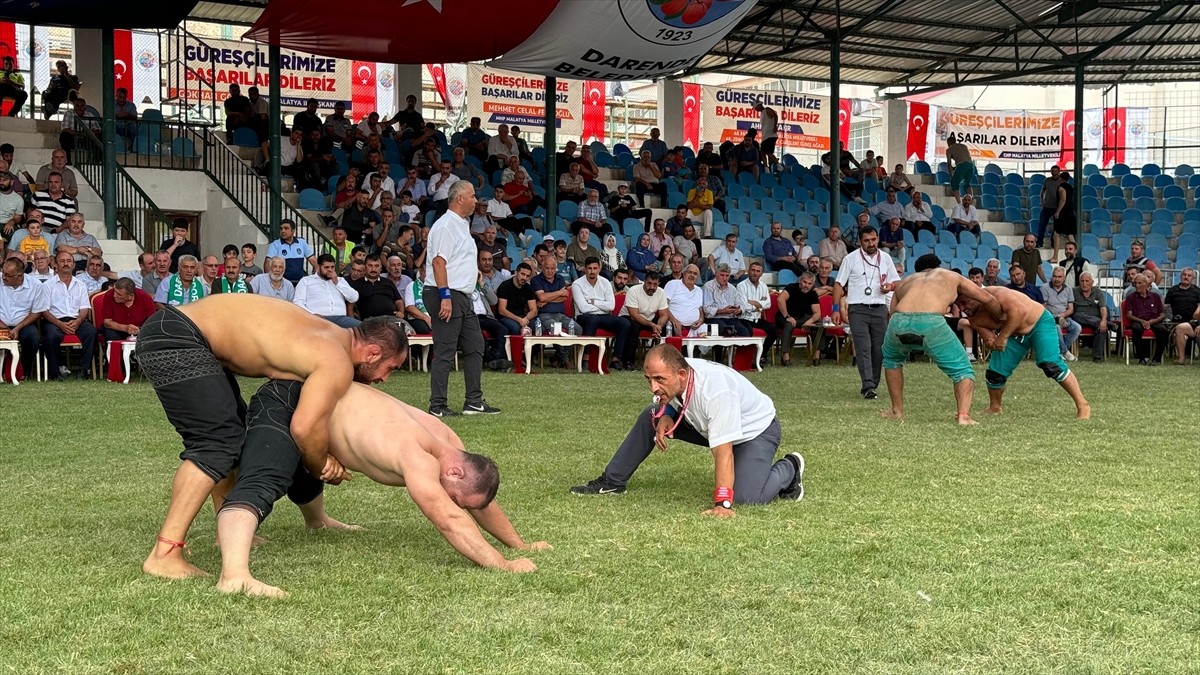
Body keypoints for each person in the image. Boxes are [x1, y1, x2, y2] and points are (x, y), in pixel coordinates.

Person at [134, 294, 410, 579]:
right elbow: (305, 428)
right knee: (216, 444)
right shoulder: (336, 358)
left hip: (179, 330)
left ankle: (223, 532)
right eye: (390, 368)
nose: (385, 380)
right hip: (179, 336)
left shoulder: (326, 332)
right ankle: (164, 554)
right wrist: (321, 466)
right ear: (373, 353)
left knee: (235, 434)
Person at [216, 381, 546, 597]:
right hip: (288, 399)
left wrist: (519, 544)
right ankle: (234, 574)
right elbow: (448, 518)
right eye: (456, 498)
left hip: (320, 407)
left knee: (306, 465)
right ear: (457, 471)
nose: (456, 504)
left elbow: (477, 500)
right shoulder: (417, 457)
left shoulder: (450, 445)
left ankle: (317, 520)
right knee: (263, 477)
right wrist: (502, 564)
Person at [570, 344, 805, 514]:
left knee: (747, 498)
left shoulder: (716, 392)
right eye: (649, 379)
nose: (653, 387)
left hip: (756, 432)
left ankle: (790, 467)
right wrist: (666, 414)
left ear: (680, 375)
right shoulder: (681, 372)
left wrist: (722, 504)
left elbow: (723, 451)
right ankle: (612, 482)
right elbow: (676, 397)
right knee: (649, 416)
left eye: (659, 380)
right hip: (709, 425)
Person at [880, 254, 1004, 425]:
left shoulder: (907, 281)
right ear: (939, 266)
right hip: (930, 321)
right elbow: (988, 298)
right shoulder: (951, 275)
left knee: (892, 360)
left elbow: (892, 312)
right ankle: (963, 416)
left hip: (898, 321)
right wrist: (999, 319)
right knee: (963, 371)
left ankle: (897, 411)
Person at [424, 181, 498, 417]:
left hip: (463, 294)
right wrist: (445, 296)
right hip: (446, 293)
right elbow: (438, 262)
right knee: (445, 349)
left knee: (475, 344)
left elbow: (456, 259)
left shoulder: (461, 224)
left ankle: (474, 401)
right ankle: (437, 405)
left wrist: (472, 272)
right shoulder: (446, 225)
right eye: (473, 196)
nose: (477, 201)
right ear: (460, 199)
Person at [961, 286, 1091, 419]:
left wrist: (1003, 337)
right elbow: (988, 337)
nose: (962, 308)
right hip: (1013, 333)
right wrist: (992, 342)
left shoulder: (998, 294)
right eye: (958, 304)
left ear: (974, 295)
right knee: (995, 372)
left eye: (964, 302)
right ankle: (995, 407)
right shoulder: (973, 317)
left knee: (1051, 364)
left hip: (1039, 323)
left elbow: (1019, 312)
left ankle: (1083, 405)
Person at [833, 226, 900, 400]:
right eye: (866, 240)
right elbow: (839, 284)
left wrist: (890, 287)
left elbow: (896, 282)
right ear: (860, 241)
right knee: (863, 347)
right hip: (857, 309)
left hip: (879, 308)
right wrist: (835, 309)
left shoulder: (886, 258)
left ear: (878, 238)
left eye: (873, 239)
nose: (871, 243)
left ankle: (873, 383)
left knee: (879, 350)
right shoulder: (850, 259)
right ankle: (868, 385)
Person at [572, 257, 631, 371]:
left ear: (599, 269)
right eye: (589, 268)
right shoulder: (577, 284)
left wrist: (593, 301)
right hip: (583, 317)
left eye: (595, 268)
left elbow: (611, 306)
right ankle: (586, 358)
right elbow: (583, 308)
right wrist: (602, 304)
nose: (592, 271)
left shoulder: (605, 282)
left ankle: (615, 359)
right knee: (593, 319)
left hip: (603, 316)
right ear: (585, 269)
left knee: (625, 323)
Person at [775, 272, 823, 367]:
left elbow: (817, 313)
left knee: (819, 324)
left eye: (809, 284)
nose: (806, 286)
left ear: (812, 284)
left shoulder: (813, 294)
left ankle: (816, 356)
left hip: (801, 318)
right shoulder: (792, 287)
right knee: (789, 325)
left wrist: (809, 322)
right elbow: (780, 299)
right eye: (805, 282)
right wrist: (787, 316)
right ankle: (785, 357)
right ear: (800, 280)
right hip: (785, 316)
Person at [1123, 272, 1167, 365]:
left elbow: (1162, 314)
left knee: (1163, 331)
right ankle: (1141, 358)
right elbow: (1129, 315)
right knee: (1136, 328)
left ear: (1146, 284)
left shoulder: (1155, 296)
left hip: (1153, 320)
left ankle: (1156, 358)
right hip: (1138, 320)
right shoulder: (1131, 297)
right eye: (1136, 283)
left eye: (1140, 283)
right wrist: (1142, 321)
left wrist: (1153, 321)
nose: (1137, 285)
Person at [1166, 268, 1200, 364]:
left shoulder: (1197, 291)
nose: (1186, 277)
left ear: (1193, 278)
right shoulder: (1172, 291)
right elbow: (1166, 307)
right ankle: (1181, 359)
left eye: (1189, 275)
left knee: (1182, 327)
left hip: (1193, 322)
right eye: (1184, 275)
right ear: (1180, 276)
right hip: (1174, 321)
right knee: (1180, 328)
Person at [1049, 171, 1075, 264]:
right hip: (1070, 212)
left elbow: (1063, 199)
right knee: (1070, 234)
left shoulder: (1061, 187)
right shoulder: (1071, 187)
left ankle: (1055, 256)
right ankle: (1075, 255)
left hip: (1063, 213)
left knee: (1056, 234)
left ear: (1060, 178)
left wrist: (1057, 211)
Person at [945, 132, 975, 202]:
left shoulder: (949, 150)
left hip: (961, 165)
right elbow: (964, 157)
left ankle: (959, 202)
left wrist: (951, 176)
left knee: (954, 183)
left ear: (948, 143)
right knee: (967, 184)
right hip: (970, 165)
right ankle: (971, 200)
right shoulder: (964, 146)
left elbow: (949, 164)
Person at [754, 101, 779, 170]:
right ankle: (767, 167)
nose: (756, 110)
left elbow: (775, 115)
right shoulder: (762, 113)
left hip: (770, 135)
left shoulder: (767, 110)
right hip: (765, 136)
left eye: (756, 108)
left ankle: (778, 166)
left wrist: (774, 126)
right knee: (763, 152)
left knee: (768, 152)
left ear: (759, 106)